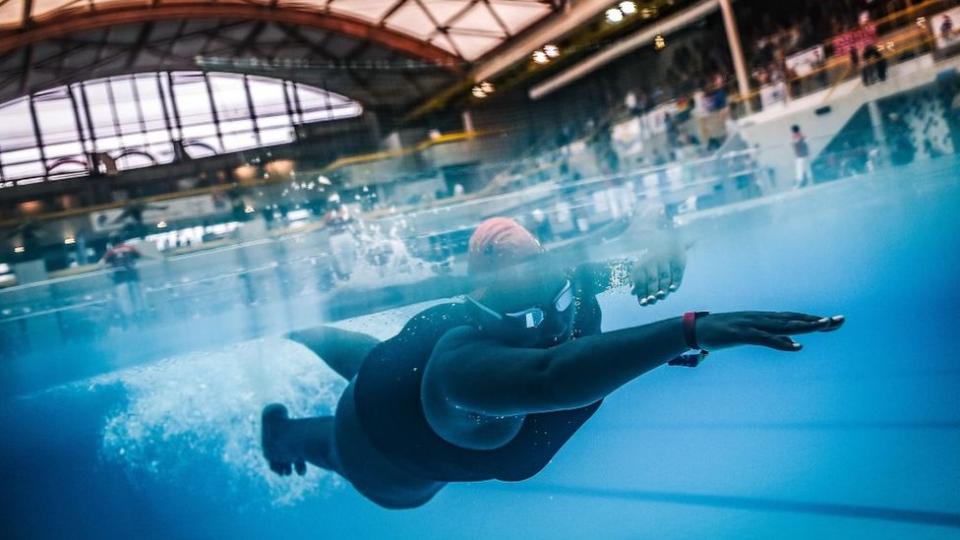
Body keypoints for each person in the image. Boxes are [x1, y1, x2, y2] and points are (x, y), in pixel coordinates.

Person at [261, 218, 844, 509]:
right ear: (486, 312)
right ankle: (281, 434)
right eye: (527, 314)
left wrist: (657, 239)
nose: (553, 321)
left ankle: (301, 332)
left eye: (558, 294)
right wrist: (686, 330)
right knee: (339, 436)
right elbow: (549, 380)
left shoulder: (570, 287)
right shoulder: (463, 366)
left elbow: (636, 237)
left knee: (376, 361)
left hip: (397, 372)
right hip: (387, 453)